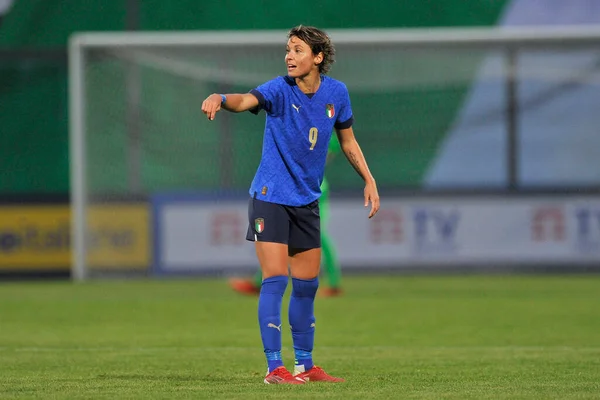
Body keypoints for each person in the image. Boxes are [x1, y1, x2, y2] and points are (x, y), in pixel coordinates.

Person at [201, 25, 380, 385]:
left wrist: (369, 178)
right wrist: (221, 97)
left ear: (317, 57)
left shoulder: (337, 93)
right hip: (270, 198)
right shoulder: (278, 89)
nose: (289, 56)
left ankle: (305, 366)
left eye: (297, 50)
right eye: (287, 49)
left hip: (306, 200)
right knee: (274, 280)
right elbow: (245, 100)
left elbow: (347, 141)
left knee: (306, 285)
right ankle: (274, 368)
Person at [229, 135, 343, 297]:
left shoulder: (317, 126)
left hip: (313, 187)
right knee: (284, 238)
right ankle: (260, 281)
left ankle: (333, 283)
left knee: (314, 237)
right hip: (305, 184)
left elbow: (330, 148)